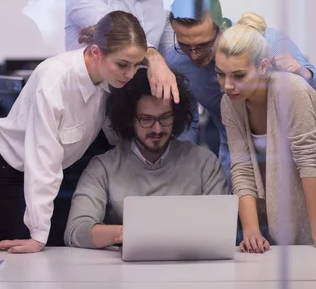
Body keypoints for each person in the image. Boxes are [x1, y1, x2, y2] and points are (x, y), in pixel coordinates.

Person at [0, 10, 148, 254]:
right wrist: (38, 234)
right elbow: (42, 158)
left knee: (60, 260)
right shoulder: (55, 80)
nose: (130, 73)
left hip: (55, 174)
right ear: (96, 52)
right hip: (12, 175)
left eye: (137, 65)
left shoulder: (108, 76)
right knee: (25, 265)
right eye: (123, 65)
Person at [216, 12, 316, 252]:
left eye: (239, 75)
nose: (228, 85)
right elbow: (241, 167)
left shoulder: (290, 89)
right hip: (298, 190)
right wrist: (251, 232)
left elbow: (308, 160)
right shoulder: (229, 102)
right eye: (220, 74)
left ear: (262, 67)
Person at [166, 0, 316, 186]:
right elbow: (188, 122)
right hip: (237, 164)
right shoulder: (177, 62)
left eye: (203, 44)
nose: (195, 54)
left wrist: (303, 73)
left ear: (221, 27)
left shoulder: (269, 44)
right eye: (185, 45)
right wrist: (182, 171)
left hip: (297, 163)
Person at [64, 68, 228, 249]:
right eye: (146, 119)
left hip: (190, 268)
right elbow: (76, 231)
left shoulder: (204, 163)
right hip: (125, 271)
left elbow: (221, 230)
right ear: (128, 119)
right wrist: (123, 233)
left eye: (165, 117)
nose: (157, 129)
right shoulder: (104, 167)